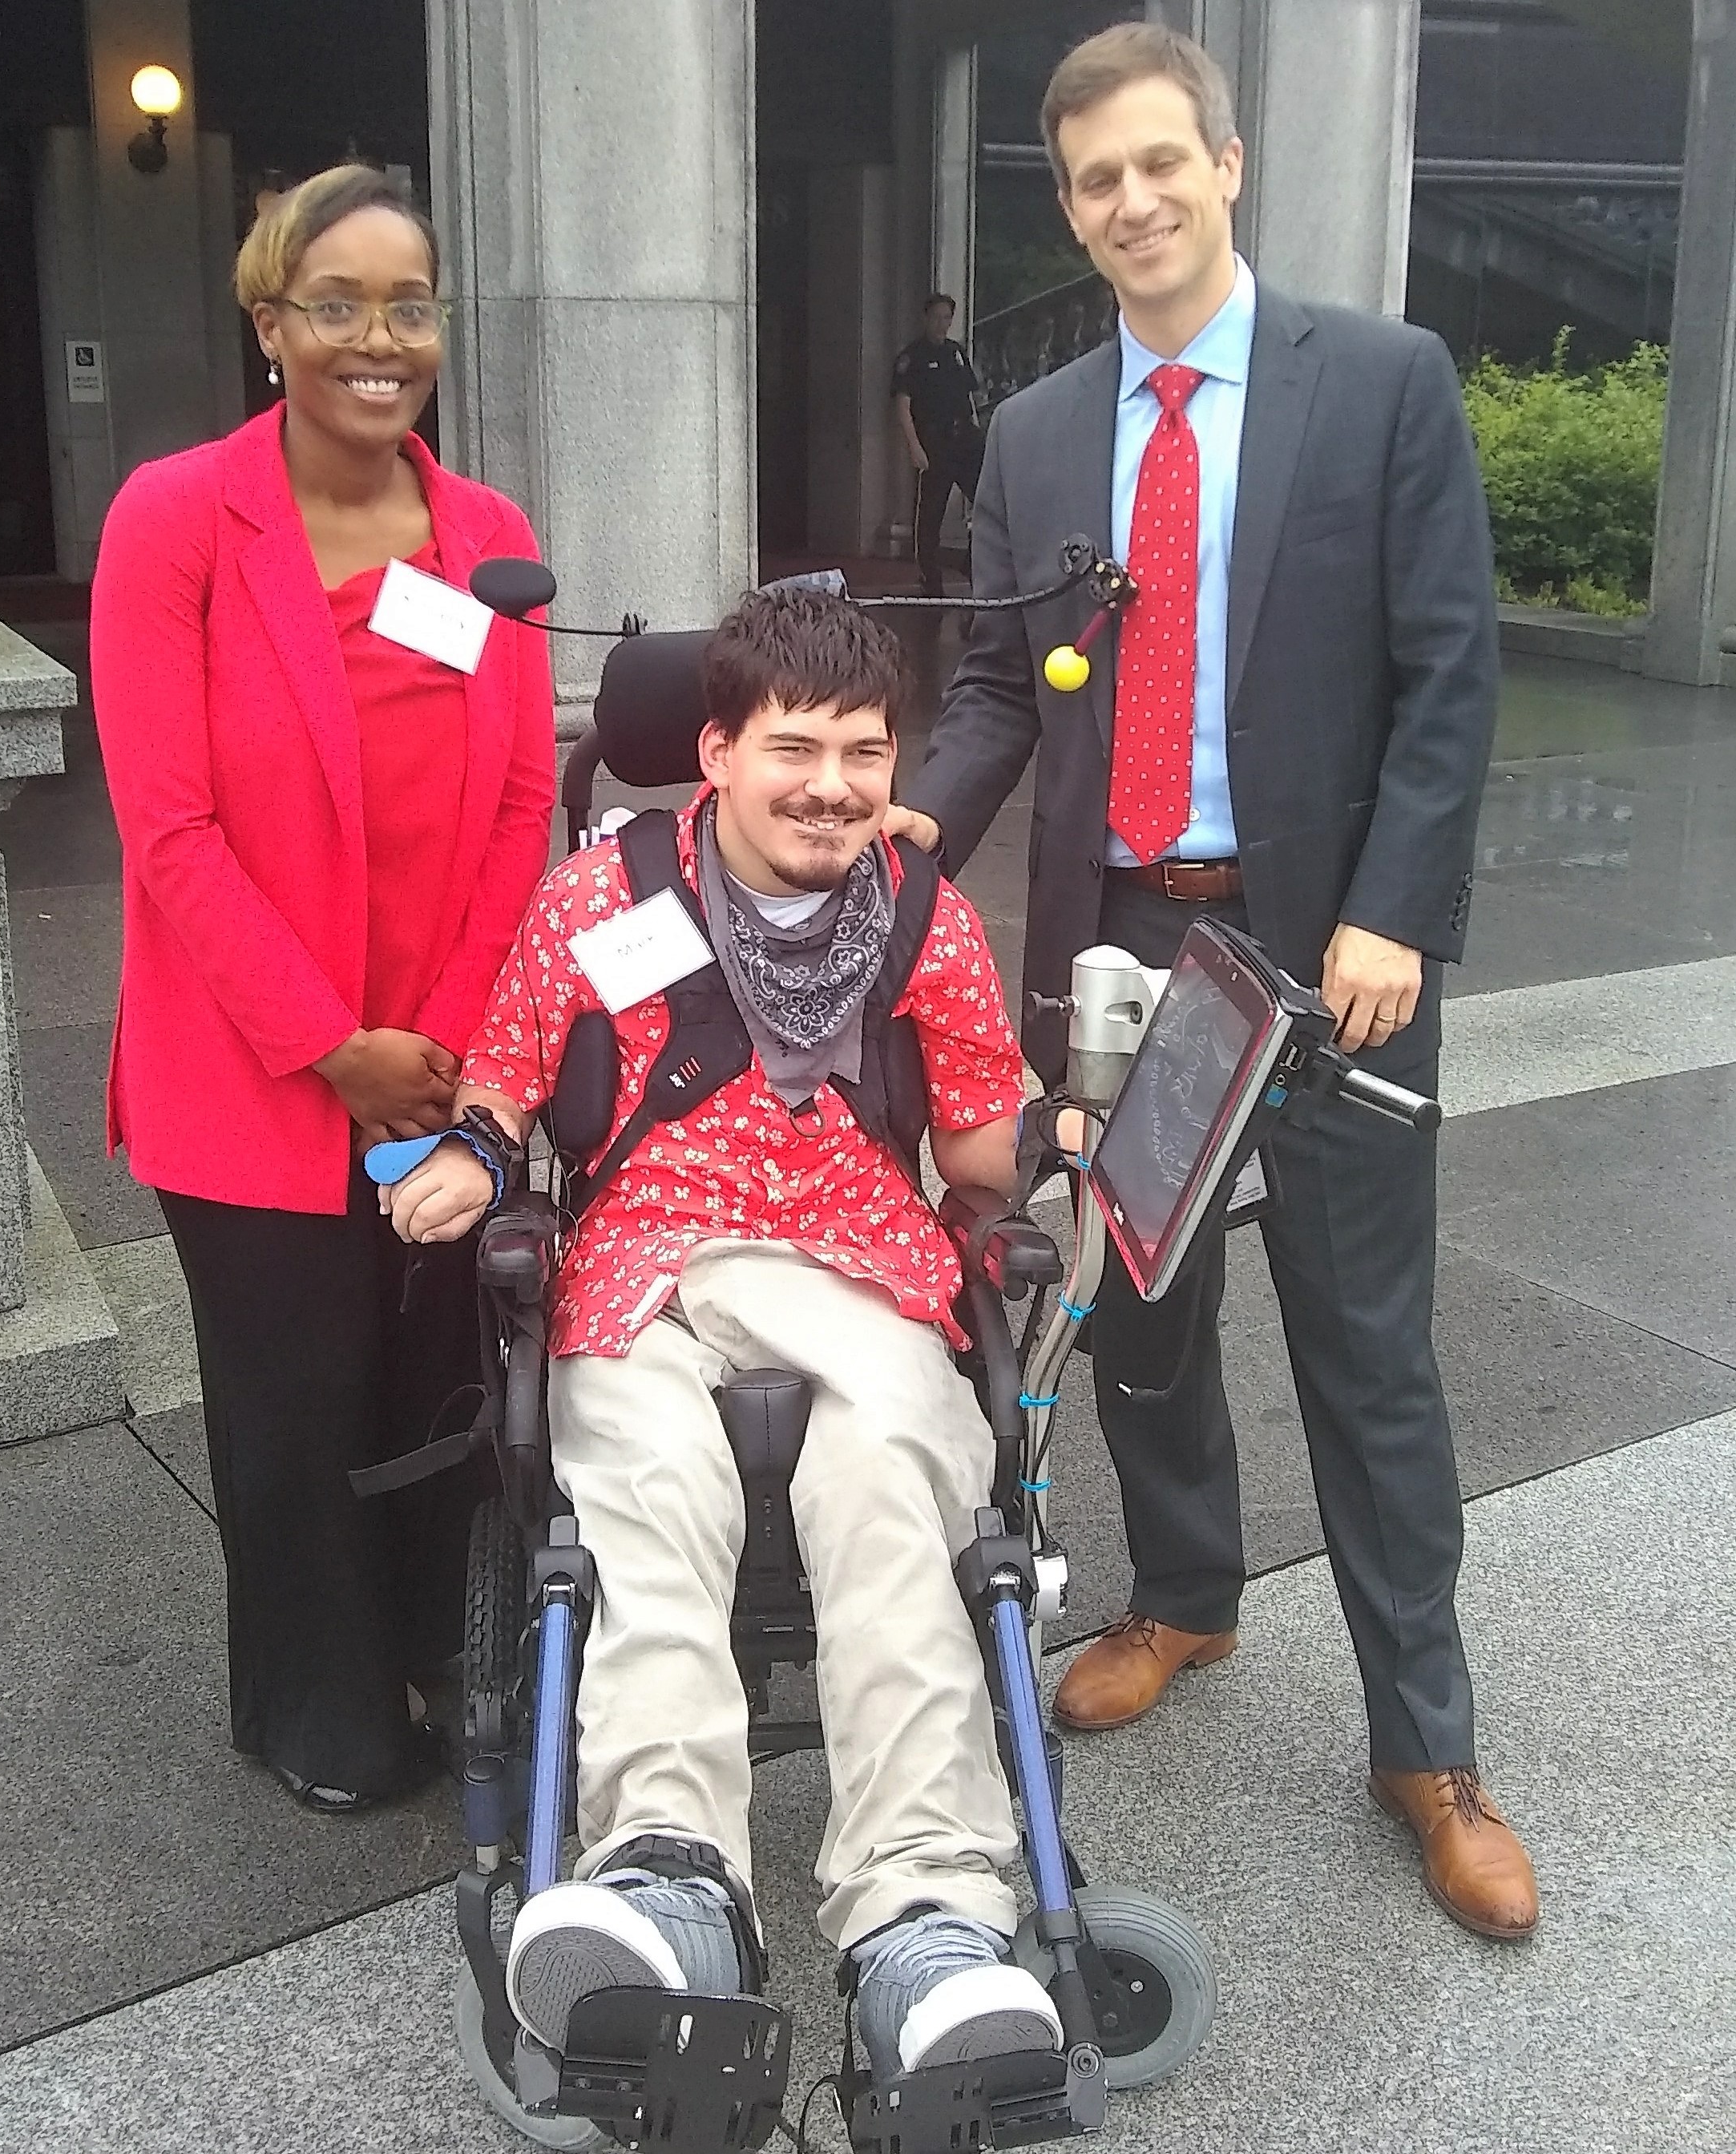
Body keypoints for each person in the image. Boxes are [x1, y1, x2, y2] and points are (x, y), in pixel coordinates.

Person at [886, 25, 1538, 1940]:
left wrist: (1392, 911)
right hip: (1119, 940)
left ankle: (1424, 1742)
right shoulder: (1032, 428)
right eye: (1093, 180)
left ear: (1224, 164)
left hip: (1316, 942)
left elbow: (1448, 669)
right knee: (1140, 1311)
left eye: (1159, 163)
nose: (1131, 203)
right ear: (1069, 203)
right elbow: (1005, 682)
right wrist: (910, 831)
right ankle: (1182, 1591)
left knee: (1363, 1346)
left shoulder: (1379, 385)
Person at [380, 587, 1064, 2081]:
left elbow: (979, 1158)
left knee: (898, 1484)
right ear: (715, 751)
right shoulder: (599, 894)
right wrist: (473, 1161)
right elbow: (502, 1080)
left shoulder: (923, 914)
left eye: (865, 754)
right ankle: (671, 1878)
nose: (832, 786)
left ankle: (929, 1921)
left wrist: (1065, 1122)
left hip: (863, 1263)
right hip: (643, 1263)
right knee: (643, 1483)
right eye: (794, 748)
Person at [88, 165, 556, 1813]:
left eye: (407, 301)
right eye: (337, 302)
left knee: (439, 1379)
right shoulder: (176, 518)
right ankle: (321, 1704)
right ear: (269, 321)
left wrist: (436, 1036)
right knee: (293, 1402)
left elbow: (517, 802)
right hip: (249, 1067)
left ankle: (446, 1645)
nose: (380, 336)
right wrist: (326, 1044)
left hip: (435, 1052)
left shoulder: (488, 536)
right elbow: (164, 821)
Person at [892, 294, 985, 597]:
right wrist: (914, 447)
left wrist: (978, 431)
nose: (942, 324)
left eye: (947, 318)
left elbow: (971, 397)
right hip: (934, 443)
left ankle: (971, 564)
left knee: (988, 504)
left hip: (965, 440)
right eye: (937, 317)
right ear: (926, 318)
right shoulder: (912, 357)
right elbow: (903, 406)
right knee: (931, 513)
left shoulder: (956, 353)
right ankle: (930, 579)